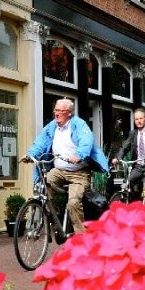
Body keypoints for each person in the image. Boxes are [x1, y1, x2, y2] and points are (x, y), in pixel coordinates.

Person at [24, 98, 108, 234]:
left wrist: (79, 155)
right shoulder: (52, 126)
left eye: (60, 111)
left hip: (79, 173)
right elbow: (41, 141)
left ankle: (81, 238)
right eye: (55, 110)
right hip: (59, 171)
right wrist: (30, 155)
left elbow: (86, 141)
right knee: (42, 187)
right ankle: (54, 218)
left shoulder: (79, 125)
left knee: (74, 203)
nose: (56, 113)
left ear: (69, 113)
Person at [112, 108, 145, 201]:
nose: (139, 121)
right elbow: (125, 147)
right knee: (128, 182)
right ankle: (134, 204)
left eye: (141, 118)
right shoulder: (133, 133)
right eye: (136, 119)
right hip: (139, 165)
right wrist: (117, 158)